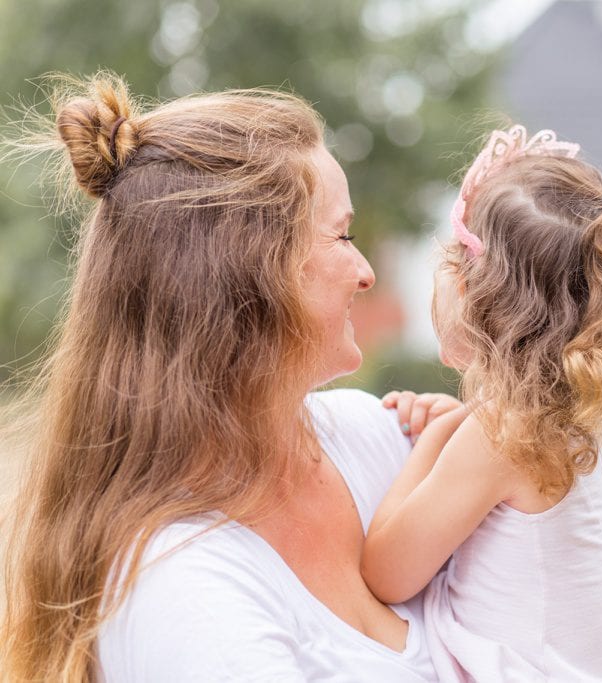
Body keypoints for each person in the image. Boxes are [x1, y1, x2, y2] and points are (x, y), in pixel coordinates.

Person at [0, 73, 459, 682]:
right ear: (246, 275)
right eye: (341, 234)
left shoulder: (373, 434)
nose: (366, 271)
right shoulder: (178, 584)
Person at [361, 125, 602, 682]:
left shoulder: (497, 437)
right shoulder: (600, 441)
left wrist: (435, 436)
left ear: (469, 288)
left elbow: (385, 571)